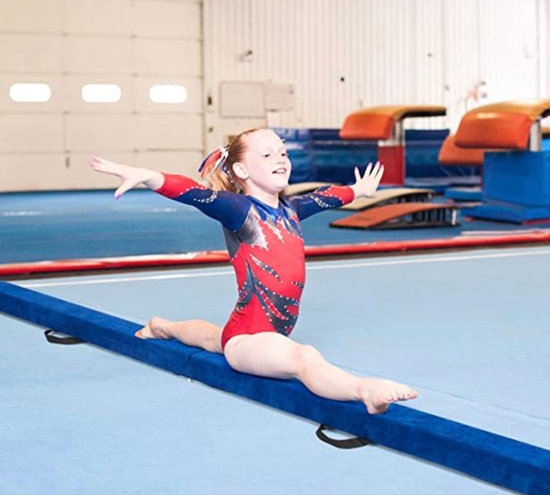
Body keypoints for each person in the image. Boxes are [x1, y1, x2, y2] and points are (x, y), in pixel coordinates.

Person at [90, 128, 417, 414]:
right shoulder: (239, 210)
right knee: (304, 358)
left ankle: (162, 326)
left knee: (210, 337)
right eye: (268, 154)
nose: (281, 159)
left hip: (246, 328)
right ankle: (365, 391)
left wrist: (357, 191)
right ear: (241, 169)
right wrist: (148, 176)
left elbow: (325, 197)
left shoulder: (290, 209)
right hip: (250, 340)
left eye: (284, 152)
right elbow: (192, 192)